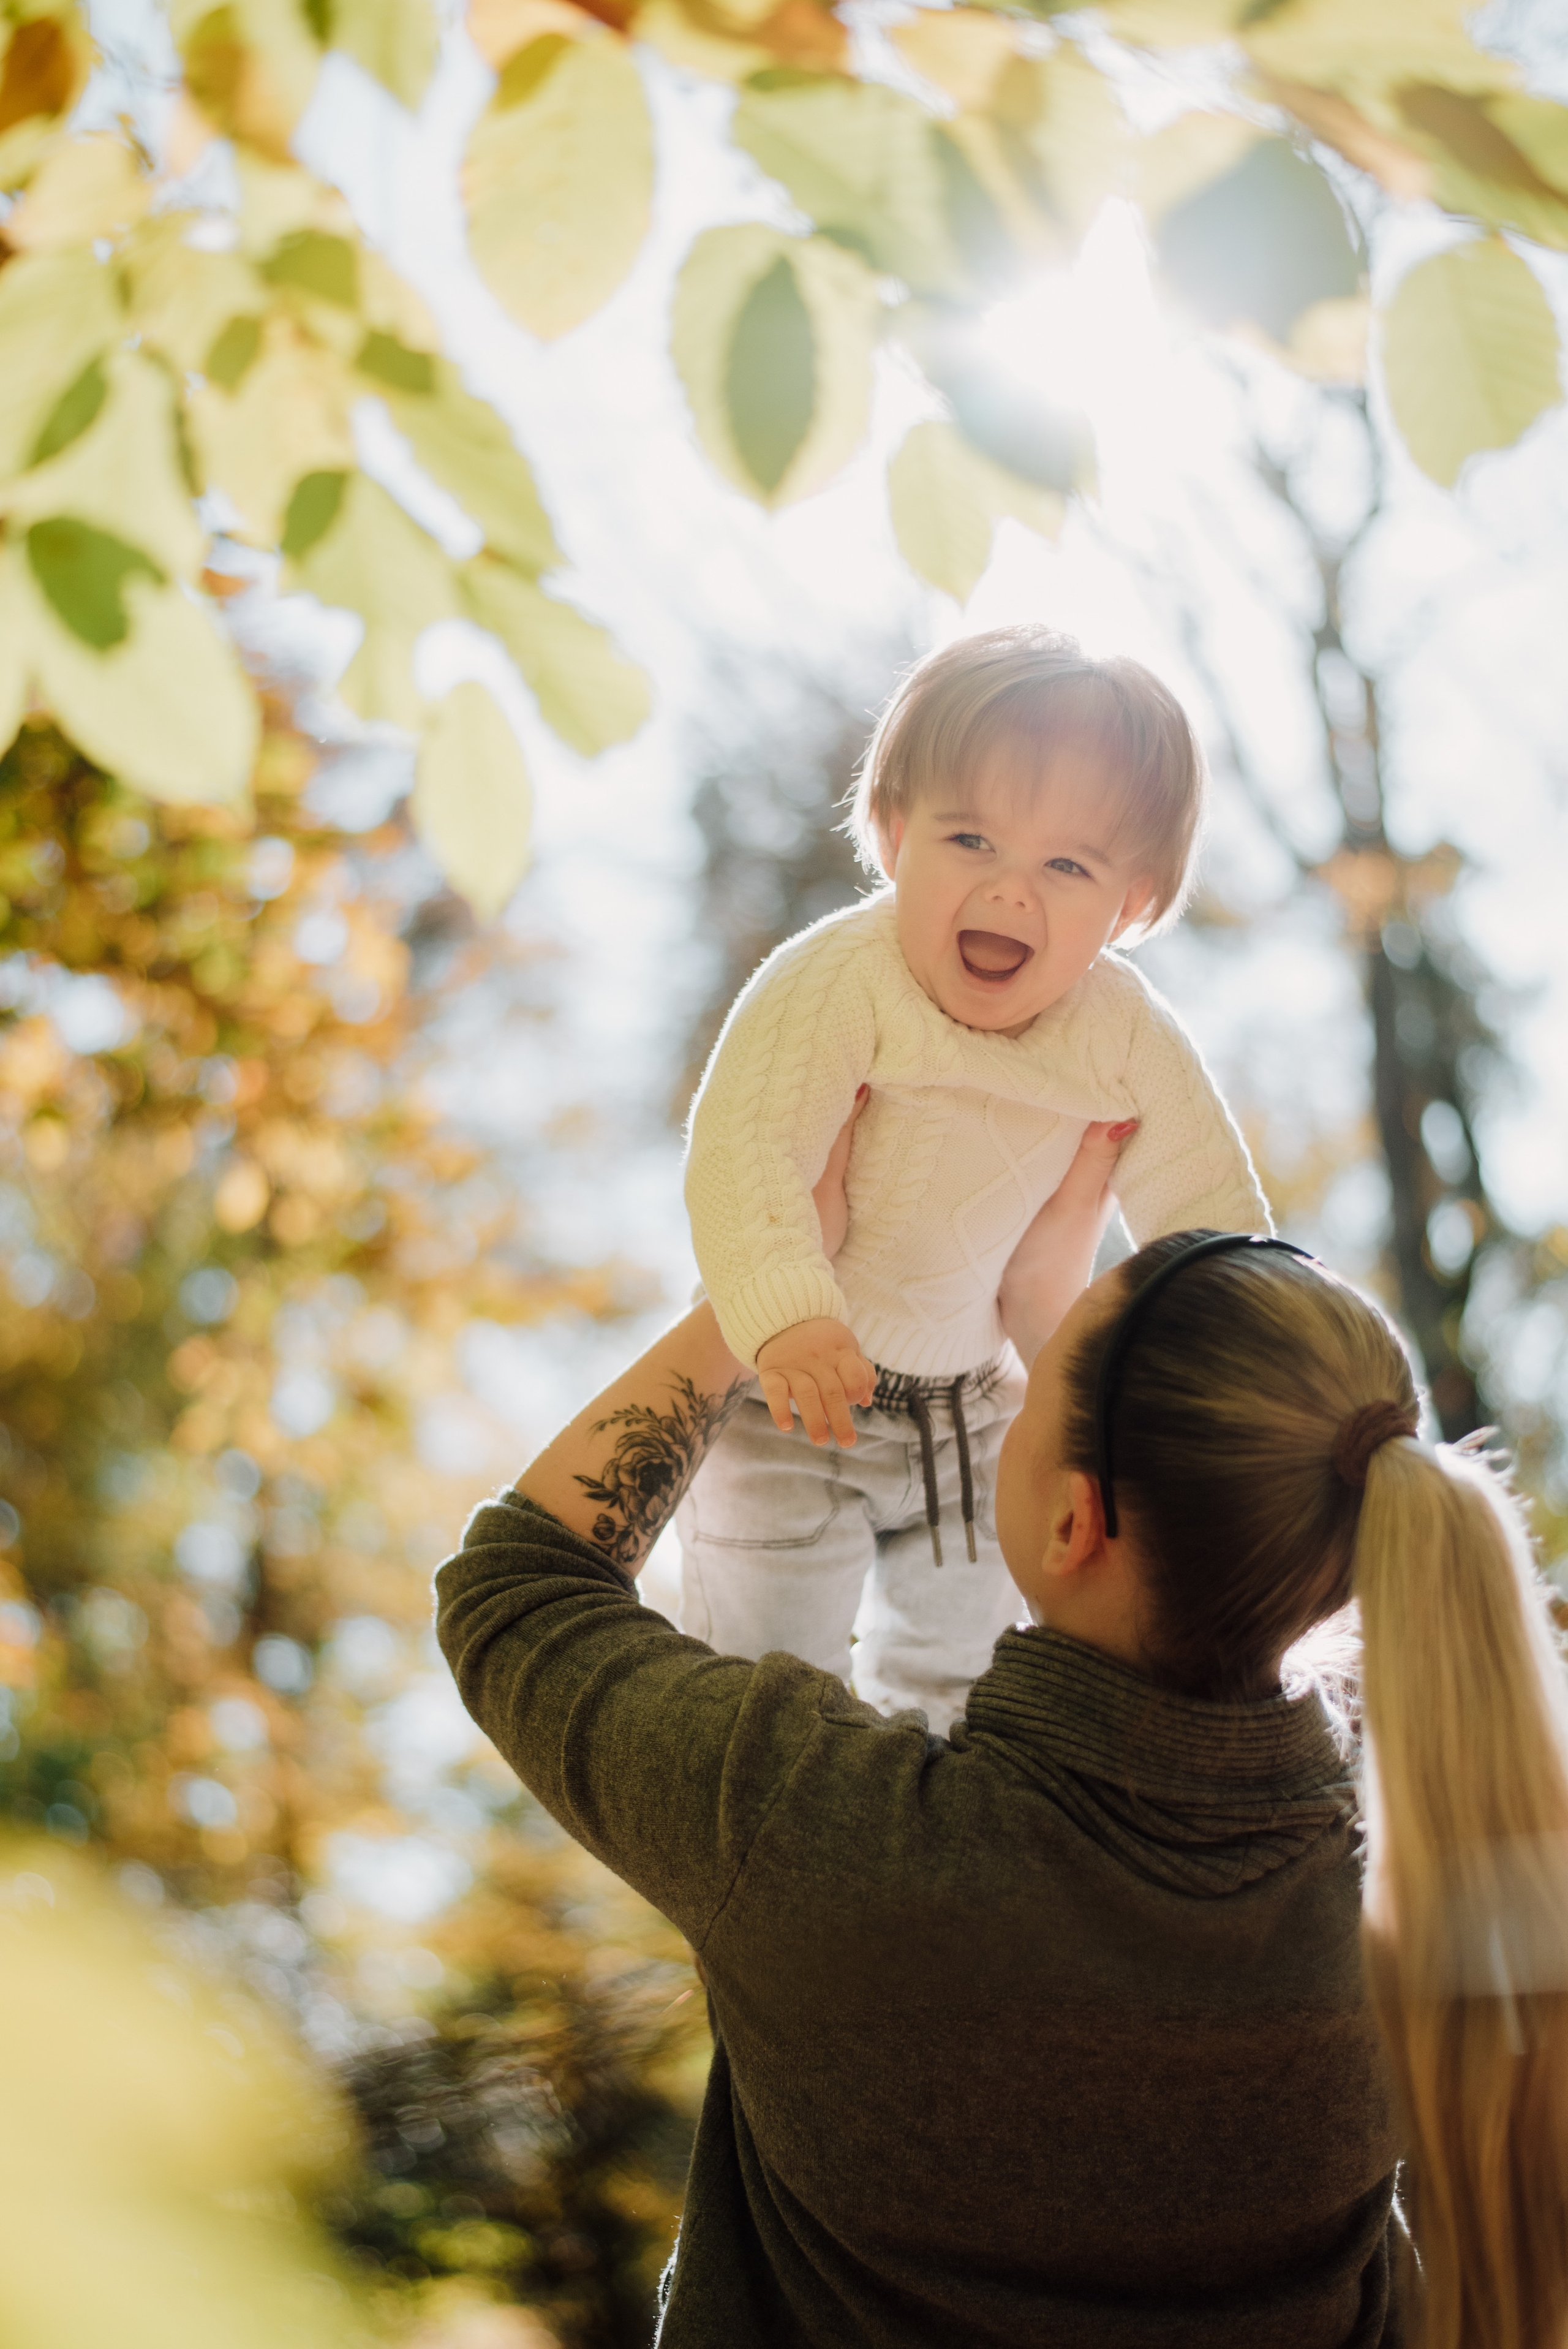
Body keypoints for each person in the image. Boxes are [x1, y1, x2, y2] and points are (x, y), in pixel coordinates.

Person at [436, 1117, 1568, 2348]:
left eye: (1029, 1396)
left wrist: (759, 1300)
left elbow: (515, 1588)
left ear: (1078, 1521)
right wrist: (1078, 1361)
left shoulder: (819, 1835)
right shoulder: (1425, 1919)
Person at [680, 624, 1268, 1727]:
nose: (1011, 891)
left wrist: (1243, 1376)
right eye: (971, 838)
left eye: (1067, 865)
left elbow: (1206, 1216)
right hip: (800, 1387)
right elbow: (746, 1148)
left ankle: (938, 1827)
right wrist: (788, 1314)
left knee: (968, 1686)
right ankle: (775, 1829)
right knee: (762, 1681)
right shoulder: (840, 982)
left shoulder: (1123, 1034)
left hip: (983, 1406)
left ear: (1130, 904)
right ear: (898, 836)